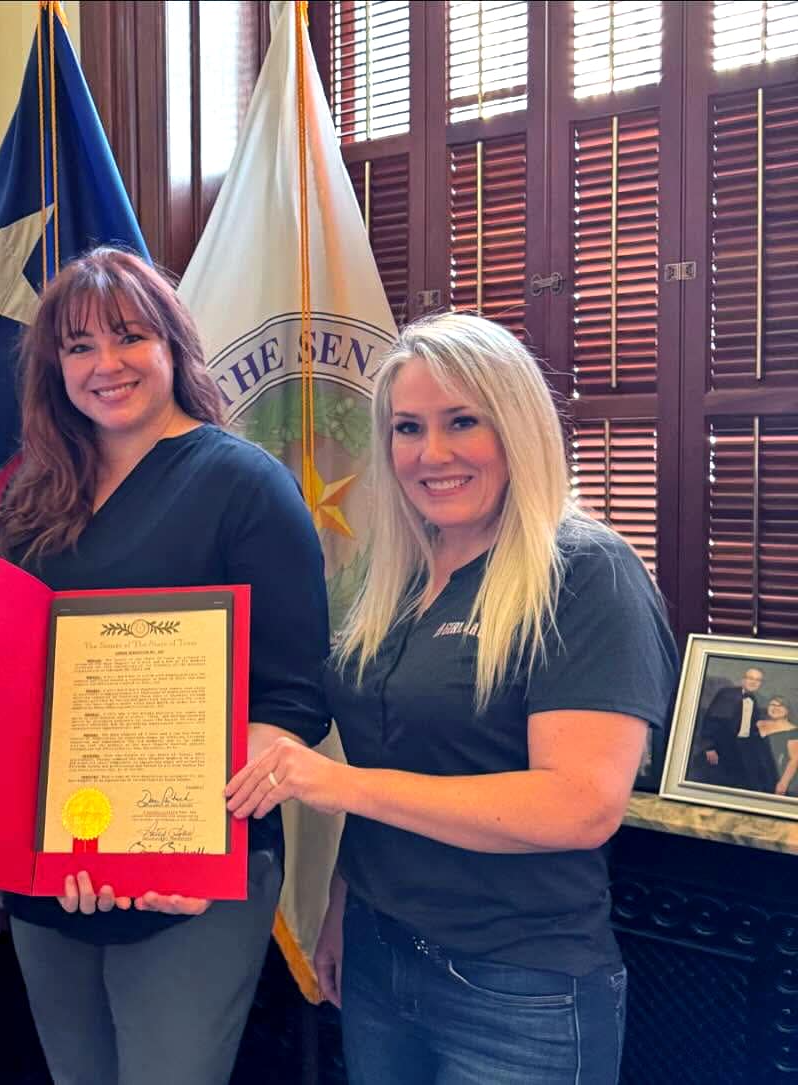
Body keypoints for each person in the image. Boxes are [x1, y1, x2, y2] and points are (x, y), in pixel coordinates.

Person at [227, 312, 678, 1084]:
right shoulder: (396, 576)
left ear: (518, 428)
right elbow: (388, 746)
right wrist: (342, 898)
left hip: (518, 988)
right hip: (378, 954)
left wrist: (340, 786)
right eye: (407, 428)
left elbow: (579, 805)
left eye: (462, 421)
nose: (431, 454)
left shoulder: (585, 573)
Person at [0, 246, 330, 1085]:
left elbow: (293, 697)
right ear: (52, 369)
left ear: (173, 346)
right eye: (78, 347)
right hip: (53, 868)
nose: (106, 364)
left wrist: (162, 845)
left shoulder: (247, 486)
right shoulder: (32, 501)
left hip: (189, 879)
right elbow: (5, 686)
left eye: (130, 336)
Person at [695, 667, 772, 790]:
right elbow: (711, 721)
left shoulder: (759, 700)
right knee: (719, 783)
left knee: (742, 783)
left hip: (745, 749)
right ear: (743, 680)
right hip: (724, 747)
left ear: (761, 684)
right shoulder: (727, 694)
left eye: (758, 680)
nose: (753, 682)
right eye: (750, 678)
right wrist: (709, 747)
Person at [757, 697, 798, 796]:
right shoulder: (757, 723)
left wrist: (783, 783)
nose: (776, 708)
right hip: (755, 773)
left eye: (780, 705)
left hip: (777, 777)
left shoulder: (793, 731)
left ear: (787, 710)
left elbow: (795, 759)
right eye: (772, 705)